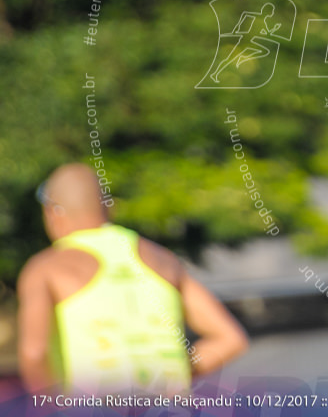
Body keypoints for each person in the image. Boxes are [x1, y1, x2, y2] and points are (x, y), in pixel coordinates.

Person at [17, 163, 249, 396]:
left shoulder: (46, 268)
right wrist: (175, 374)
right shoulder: (162, 259)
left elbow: (35, 353)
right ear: (110, 209)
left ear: (52, 212)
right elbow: (230, 338)